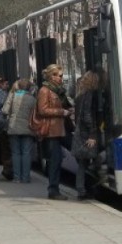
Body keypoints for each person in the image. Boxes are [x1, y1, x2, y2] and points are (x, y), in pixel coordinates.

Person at [36, 64, 73, 200]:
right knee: (55, 161)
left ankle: (85, 182)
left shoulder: (59, 90)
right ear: (50, 76)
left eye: (61, 75)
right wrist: (61, 112)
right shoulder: (44, 90)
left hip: (62, 128)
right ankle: (53, 190)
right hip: (51, 131)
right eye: (57, 75)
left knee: (77, 149)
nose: (60, 78)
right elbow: (42, 110)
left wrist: (69, 110)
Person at [71, 71, 101, 200]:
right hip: (86, 134)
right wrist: (93, 134)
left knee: (83, 163)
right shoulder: (90, 95)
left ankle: (82, 189)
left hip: (80, 132)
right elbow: (87, 116)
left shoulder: (80, 95)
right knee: (89, 162)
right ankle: (85, 189)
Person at [2, 79, 36, 184]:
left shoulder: (12, 96)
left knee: (15, 153)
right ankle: (25, 178)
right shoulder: (32, 99)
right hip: (28, 128)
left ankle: (17, 178)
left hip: (13, 128)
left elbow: (4, 111)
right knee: (26, 153)